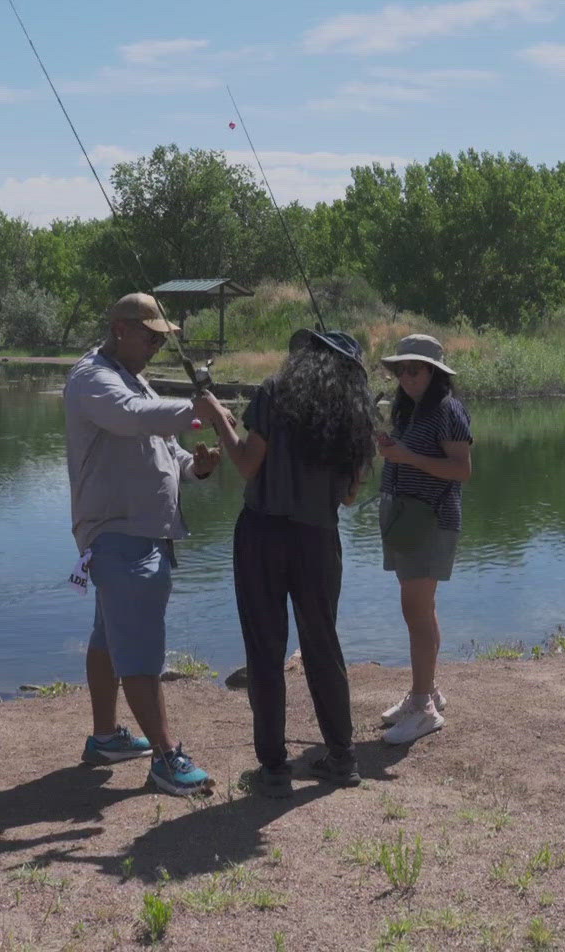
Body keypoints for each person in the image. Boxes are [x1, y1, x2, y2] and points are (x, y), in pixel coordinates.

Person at [197, 329, 376, 797]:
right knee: (323, 645)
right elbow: (352, 494)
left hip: (263, 534)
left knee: (265, 649)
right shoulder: (355, 415)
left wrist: (219, 417)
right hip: (319, 539)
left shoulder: (274, 394)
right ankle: (343, 757)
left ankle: (274, 768)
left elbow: (247, 464)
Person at [63, 292, 225, 796]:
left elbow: (165, 450)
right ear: (120, 328)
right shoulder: (94, 378)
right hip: (119, 532)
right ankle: (165, 758)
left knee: (109, 638)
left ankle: (106, 736)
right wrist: (196, 408)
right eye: (150, 334)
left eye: (162, 336)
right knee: (140, 651)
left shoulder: (134, 376)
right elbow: (132, 416)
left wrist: (195, 469)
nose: (157, 343)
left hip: (137, 531)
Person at [375, 334, 474, 745]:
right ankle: (427, 691)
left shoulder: (448, 410)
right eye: (401, 369)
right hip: (404, 518)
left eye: (414, 369)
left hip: (430, 520)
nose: (406, 376)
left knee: (414, 610)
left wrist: (407, 457)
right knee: (422, 608)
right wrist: (389, 448)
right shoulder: (409, 410)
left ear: (433, 372)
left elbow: (462, 470)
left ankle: (424, 709)